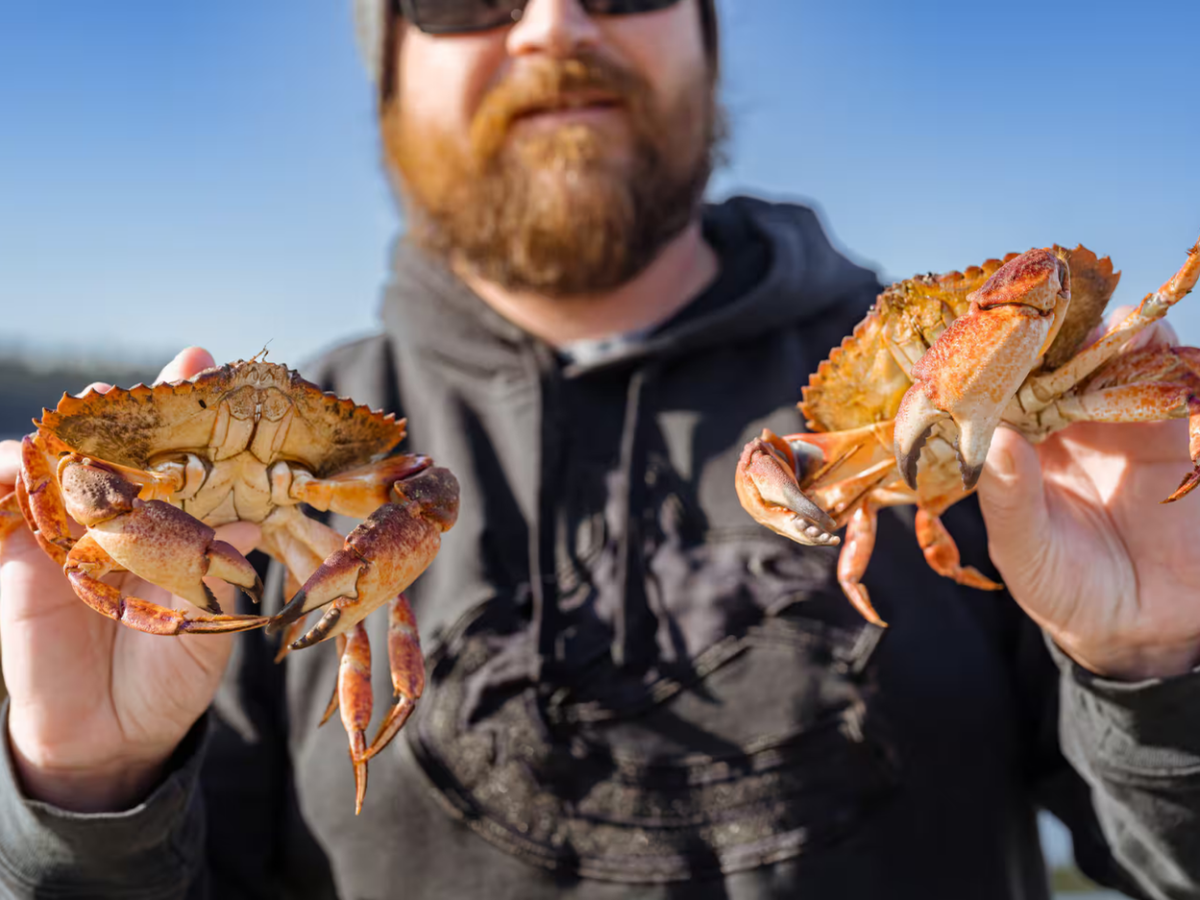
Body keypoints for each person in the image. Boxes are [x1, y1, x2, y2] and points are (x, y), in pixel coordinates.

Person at [1, 1, 1199, 897]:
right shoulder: (251, 533)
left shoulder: (997, 429)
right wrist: (84, 800)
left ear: (709, 40)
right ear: (386, 76)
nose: (553, 24)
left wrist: (1162, 666)